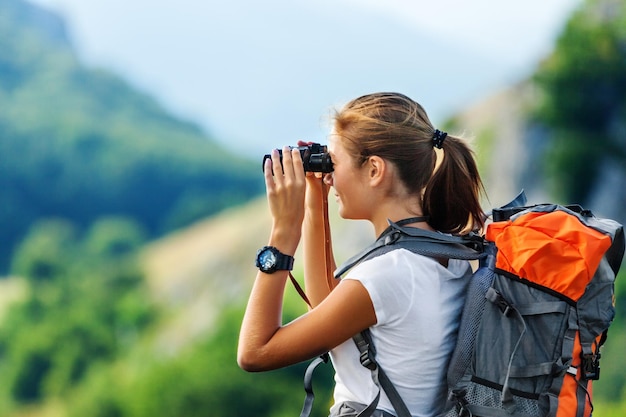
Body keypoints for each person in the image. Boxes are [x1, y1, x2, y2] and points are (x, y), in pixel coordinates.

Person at [237, 92, 486, 417]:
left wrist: (283, 232)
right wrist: (315, 198)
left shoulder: (387, 275)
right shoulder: (445, 252)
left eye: (335, 162)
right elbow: (328, 304)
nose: (332, 174)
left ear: (374, 170)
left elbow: (255, 352)